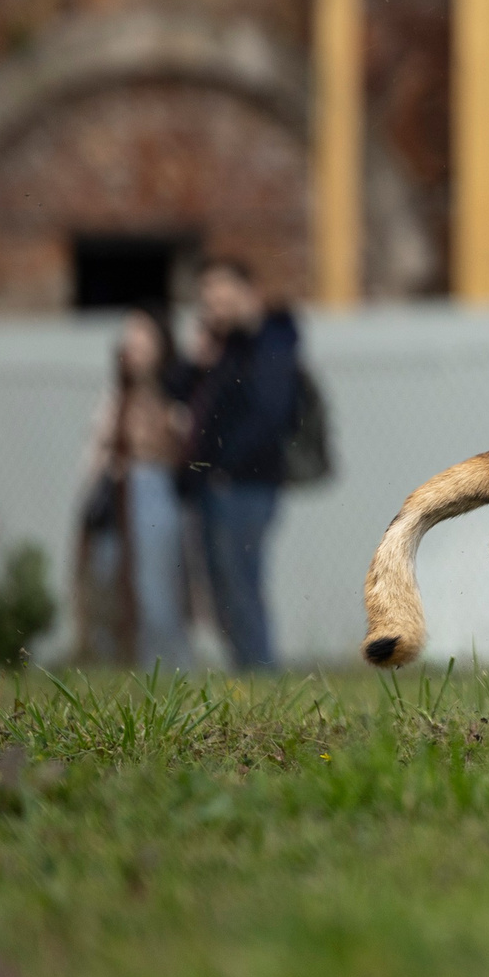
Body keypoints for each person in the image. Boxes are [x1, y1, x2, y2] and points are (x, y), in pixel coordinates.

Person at [174, 256, 299, 671]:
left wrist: (225, 466)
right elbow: (178, 395)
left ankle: (260, 673)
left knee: (240, 581)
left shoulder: (272, 339)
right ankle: (245, 673)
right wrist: (196, 362)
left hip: (247, 484)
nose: (217, 309)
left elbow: (269, 413)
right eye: (209, 302)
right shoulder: (218, 350)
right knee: (219, 585)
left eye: (225, 298)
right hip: (214, 484)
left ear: (250, 295)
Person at [74, 307, 196, 670]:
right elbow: (97, 450)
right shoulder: (116, 395)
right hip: (112, 498)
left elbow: (177, 446)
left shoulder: (174, 394)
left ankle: (167, 672)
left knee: (156, 593)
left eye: (143, 339)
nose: (133, 347)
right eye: (129, 339)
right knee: (105, 583)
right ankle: (112, 672)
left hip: (153, 493)